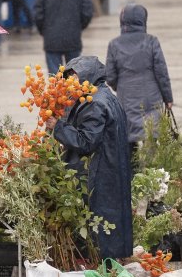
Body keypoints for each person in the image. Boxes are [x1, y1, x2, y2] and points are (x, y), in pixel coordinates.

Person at [45, 56, 133, 261]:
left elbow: (86, 141)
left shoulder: (93, 103)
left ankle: (101, 265)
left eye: (73, 78)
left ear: (87, 76)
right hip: (112, 168)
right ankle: (111, 262)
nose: (69, 84)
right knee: (112, 219)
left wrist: (57, 127)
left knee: (99, 222)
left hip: (99, 172)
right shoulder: (106, 96)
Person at [105, 3, 173, 160]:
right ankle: (154, 175)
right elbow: (161, 72)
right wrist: (168, 97)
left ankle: (131, 176)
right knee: (151, 137)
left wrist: (119, 87)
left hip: (126, 98)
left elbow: (110, 76)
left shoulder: (114, 44)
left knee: (128, 140)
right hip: (152, 97)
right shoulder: (151, 41)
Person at [34, 0, 93, 74]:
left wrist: (44, 31)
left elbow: (38, 15)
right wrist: (78, 27)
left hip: (51, 40)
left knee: (55, 78)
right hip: (73, 39)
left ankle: (58, 93)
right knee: (73, 76)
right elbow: (87, 13)